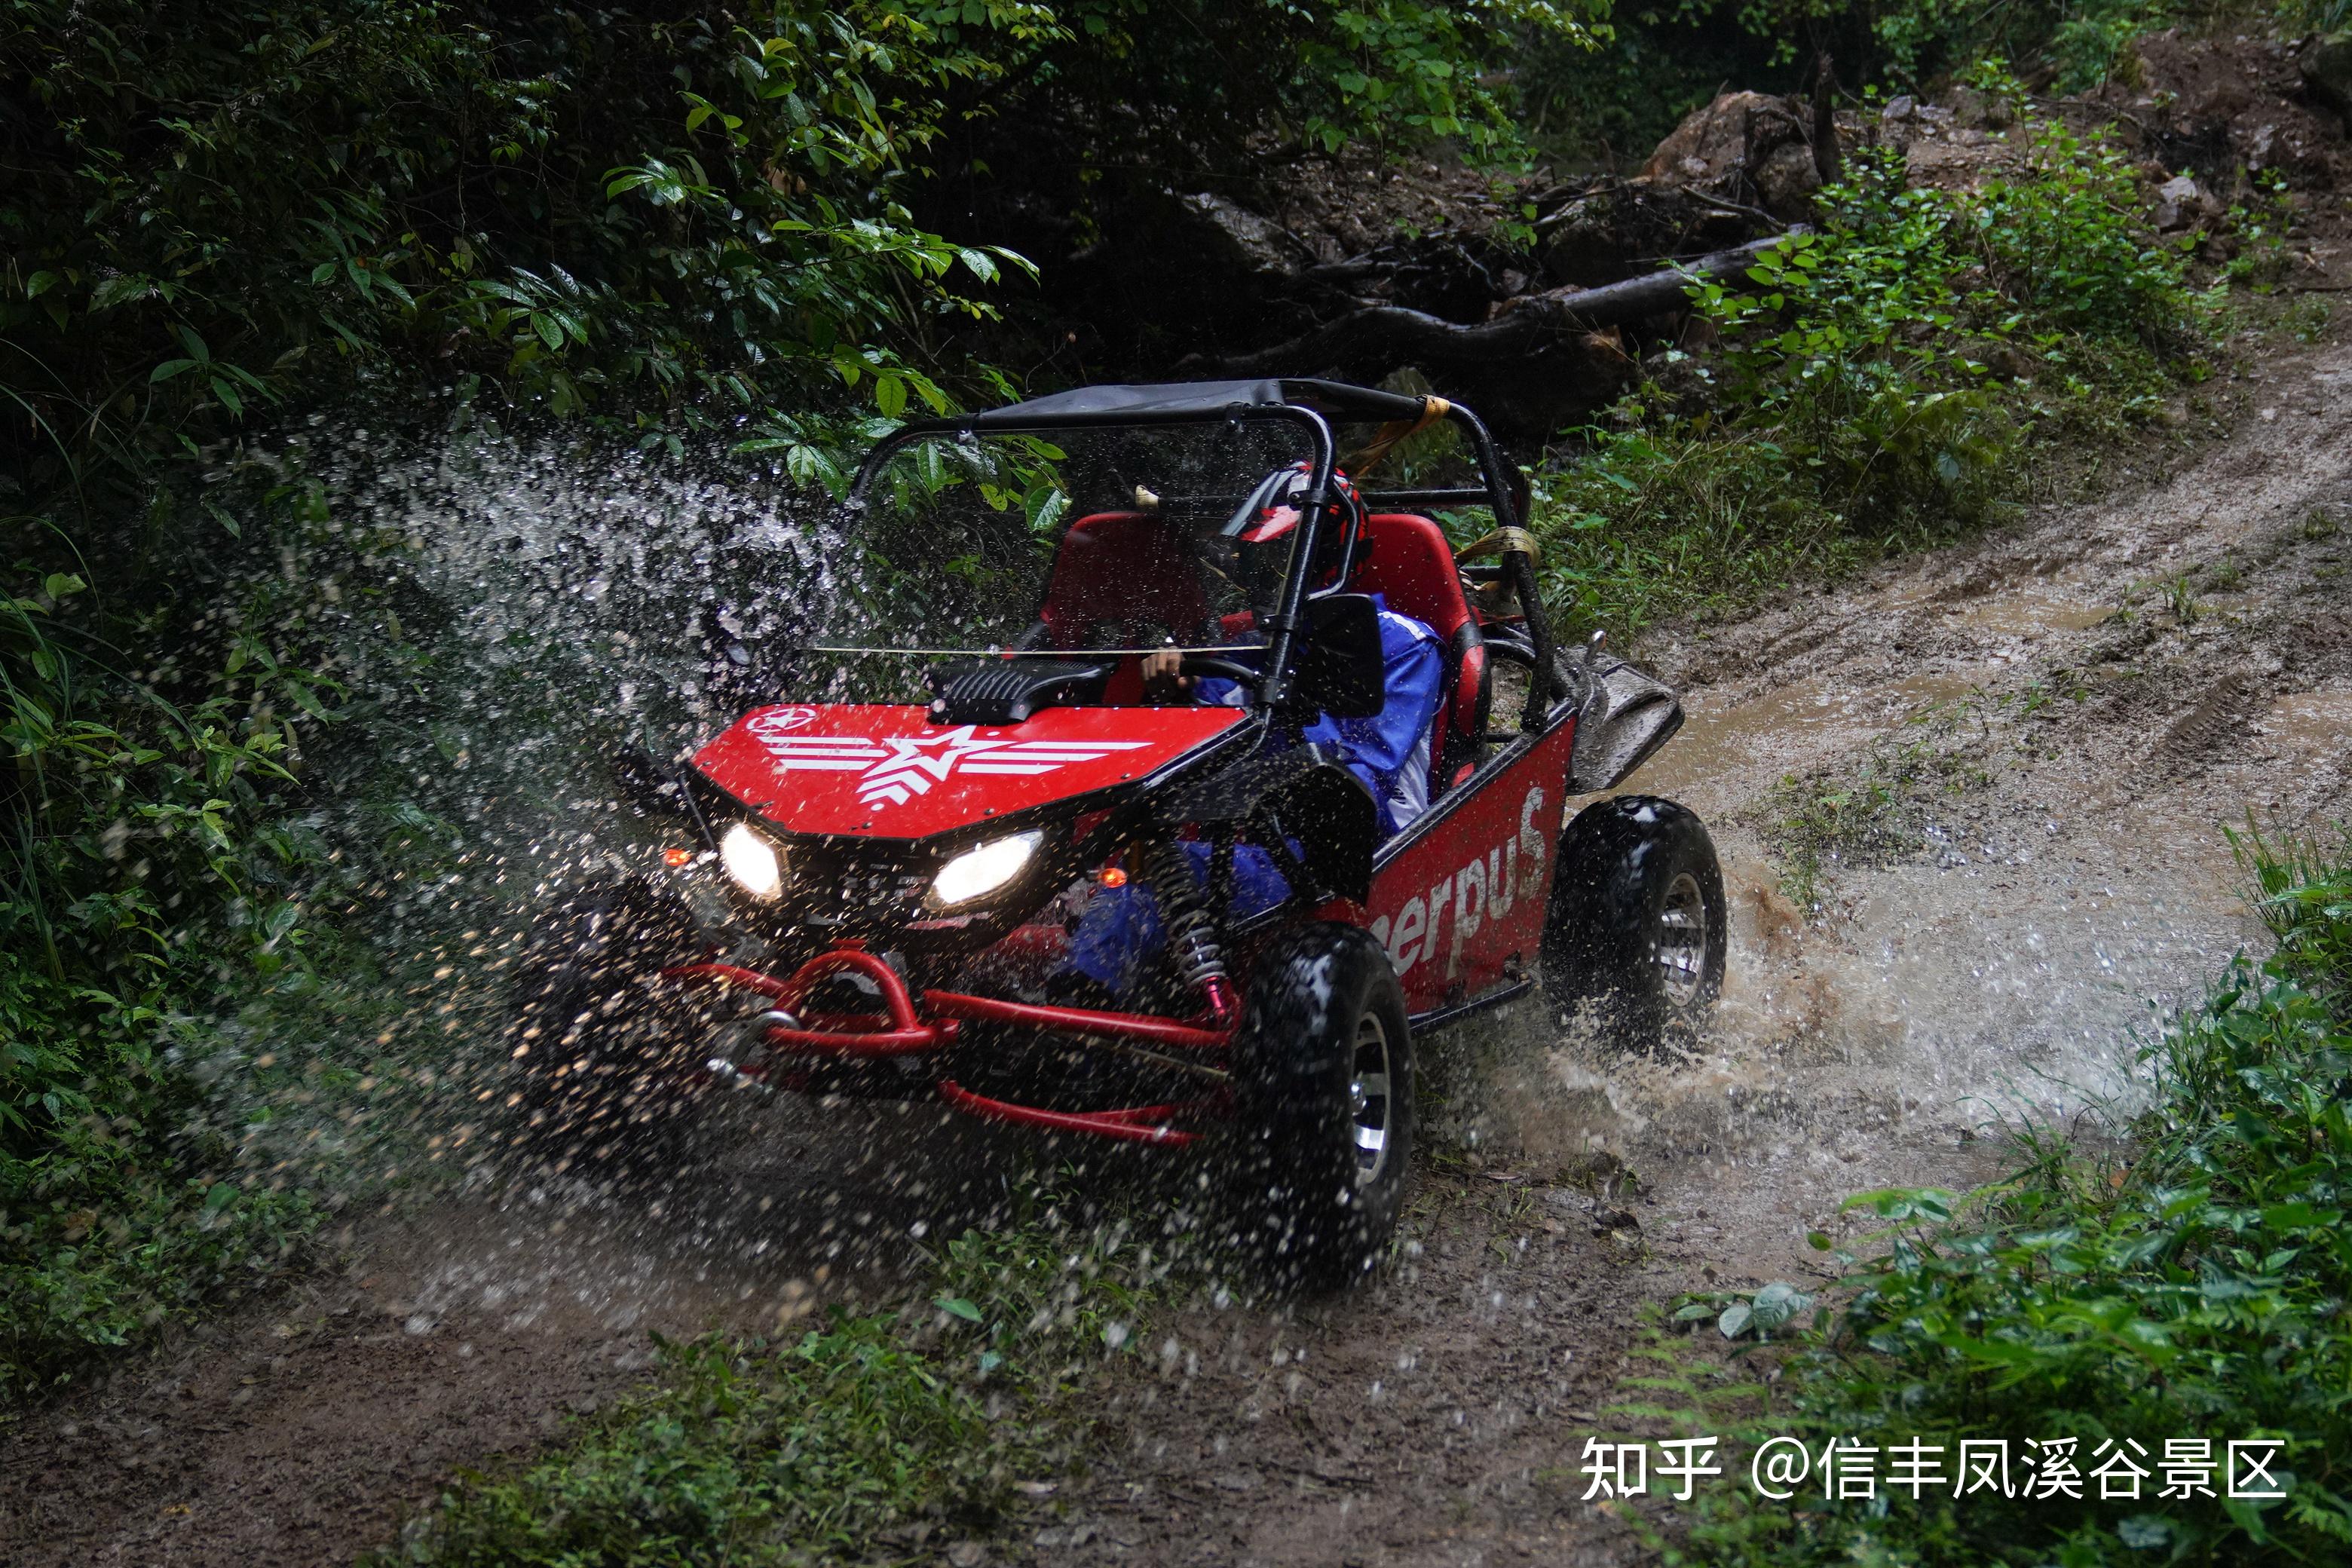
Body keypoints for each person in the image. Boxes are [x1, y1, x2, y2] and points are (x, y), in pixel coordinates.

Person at [1063, 470, 1444, 1001]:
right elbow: (1194, 752)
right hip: (1253, 843)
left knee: (1142, 883)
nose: (1271, 575)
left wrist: (1272, 718)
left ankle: (1071, 1023)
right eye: (1263, 559)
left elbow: (1361, 778)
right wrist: (1175, 690)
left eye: (1286, 558)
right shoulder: (1247, 648)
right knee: (1103, 870)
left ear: (1328, 558)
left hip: (1353, 857)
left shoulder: (1402, 646)